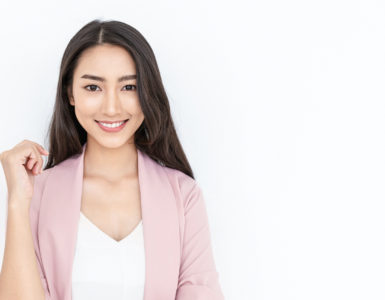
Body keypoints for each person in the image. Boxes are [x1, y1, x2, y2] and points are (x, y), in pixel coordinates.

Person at [0, 19, 224, 300]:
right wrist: (17, 201)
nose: (111, 107)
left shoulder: (183, 195)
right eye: (93, 88)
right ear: (70, 93)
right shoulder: (38, 193)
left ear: (147, 93)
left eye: (129, 87)